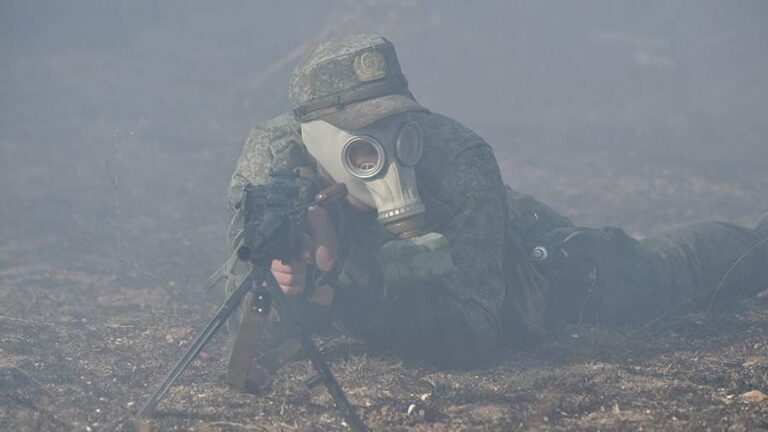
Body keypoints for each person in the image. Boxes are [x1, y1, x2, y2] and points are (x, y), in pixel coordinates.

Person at [216, 35, 767, 373]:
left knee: (659, 273)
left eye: (396, 124)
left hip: (529, 260)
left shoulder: (458, 158)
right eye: (362, 138)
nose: (388, 152)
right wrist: (285, 282)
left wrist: (341, 271)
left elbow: (471, 338)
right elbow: (245, 327)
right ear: (314, 135)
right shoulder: (275, 162)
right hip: (410, 273)